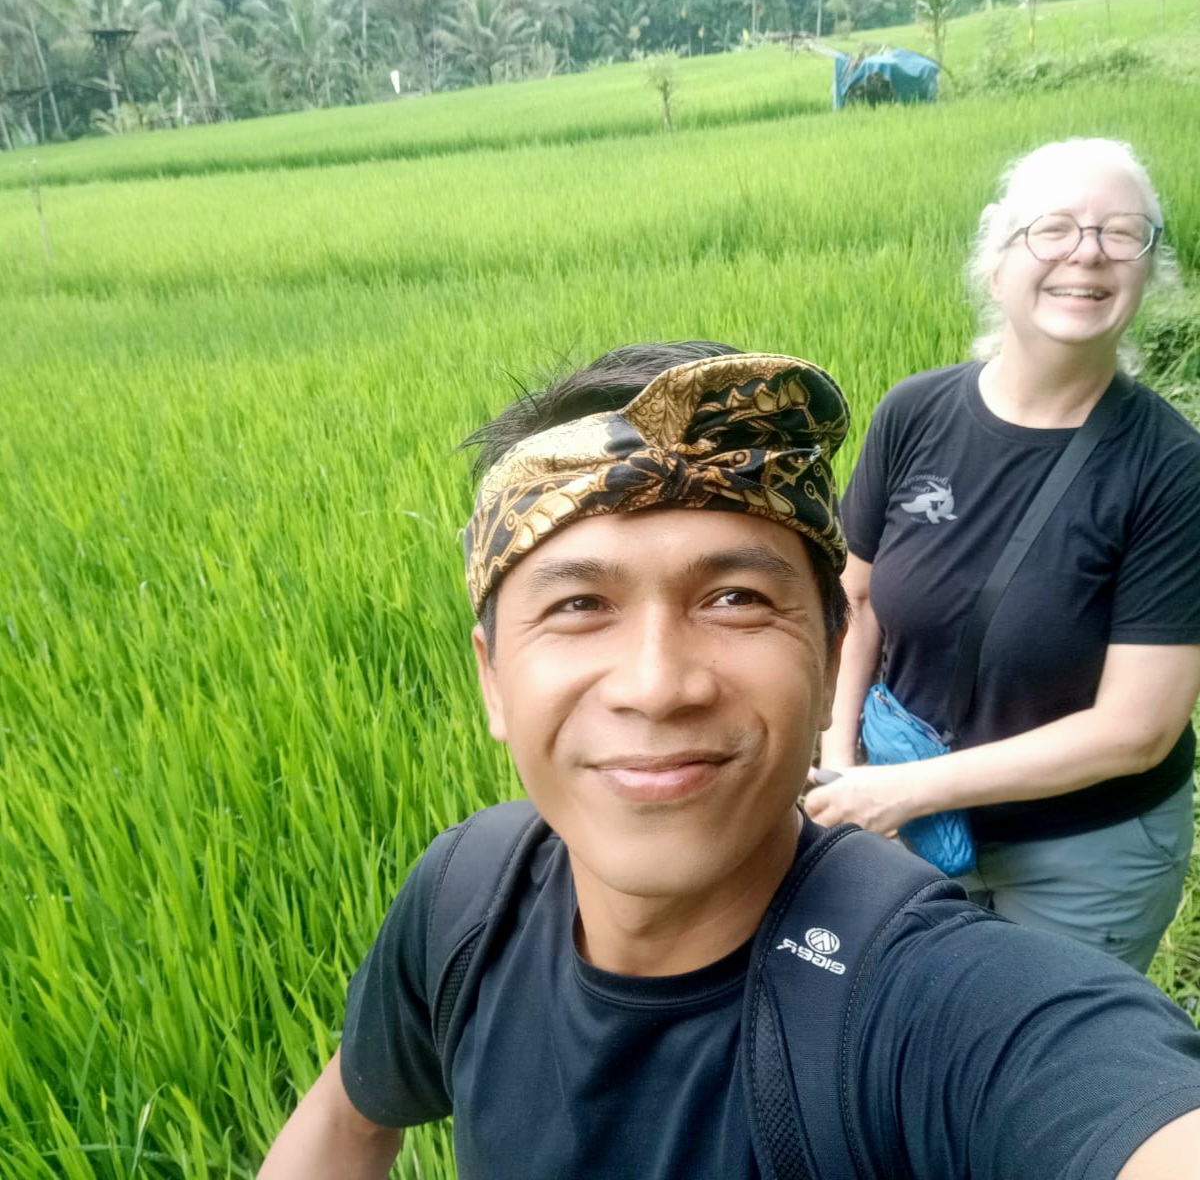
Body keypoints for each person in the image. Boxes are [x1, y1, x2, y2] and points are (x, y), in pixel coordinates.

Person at [258, 341, 1200, 1179]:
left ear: (830, 659)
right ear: (494, 679)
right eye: (579, 605)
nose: (657, 685)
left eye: (738, 598)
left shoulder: (943, 1011)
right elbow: (346, 1121)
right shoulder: (467, 896)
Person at [810, 137, 1200, 972]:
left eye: (1120, 233)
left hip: (1080, 855)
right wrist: (841, 764)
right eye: (1052, 228)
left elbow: (1136, 730)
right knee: (907, 1022)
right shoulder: (914, 413)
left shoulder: (1171, 470)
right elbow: (856, 600)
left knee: (1029, 1044)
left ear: (1146, 273)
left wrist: (904, 789)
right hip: (902, 820)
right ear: (997, 268)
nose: (1087, 253)